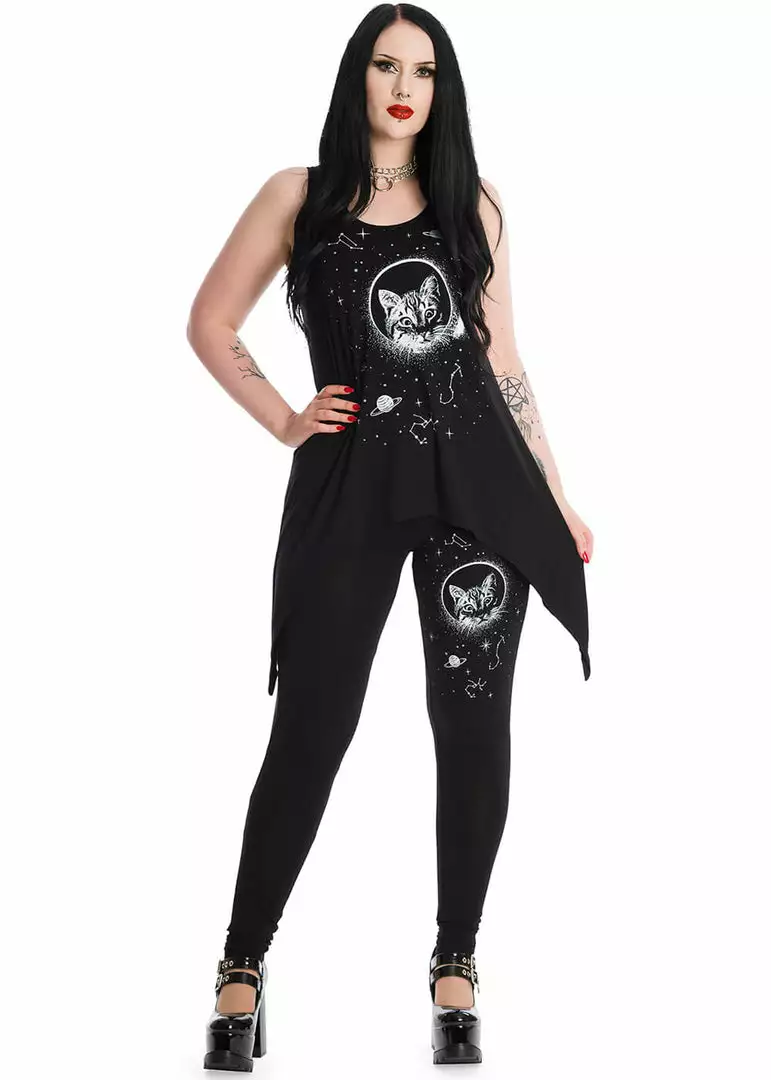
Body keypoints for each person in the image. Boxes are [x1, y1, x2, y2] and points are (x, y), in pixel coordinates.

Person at [187, 5, 593, 1070]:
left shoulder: (473, 203)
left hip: (480, 491)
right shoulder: (300, 196)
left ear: (442, 87)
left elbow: (502, 361)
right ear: (356, 77)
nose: (404, 87)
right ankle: (240, 967)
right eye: (385, 65)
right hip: (349, 488)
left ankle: (456, 964)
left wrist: (555, 493)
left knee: (473, 725)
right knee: (311, 729)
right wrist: (285, 419)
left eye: (424, 69)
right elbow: (210, 322)